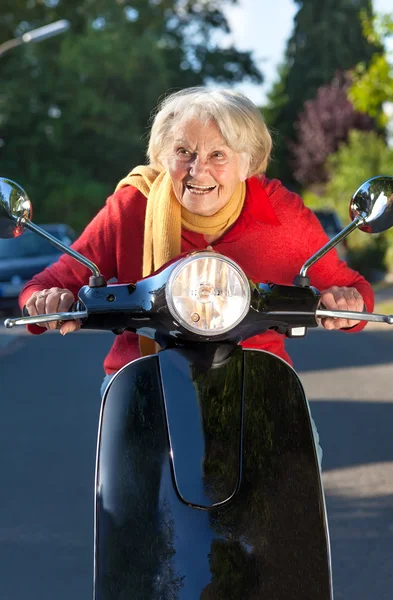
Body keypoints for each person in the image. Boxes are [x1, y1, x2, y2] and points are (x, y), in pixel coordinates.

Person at [20, 87, 373, 463]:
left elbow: (354, 290)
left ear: (247, 161)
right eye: (183, 151)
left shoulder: (280, 212)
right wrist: (47, 301)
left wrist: (345, 303)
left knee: (299, 474)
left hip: (258, 382)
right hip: (144, 378)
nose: (197, 169)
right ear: (162, 155)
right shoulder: (132, 205)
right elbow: (43, 286)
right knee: (125, 496)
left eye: (217, 154)